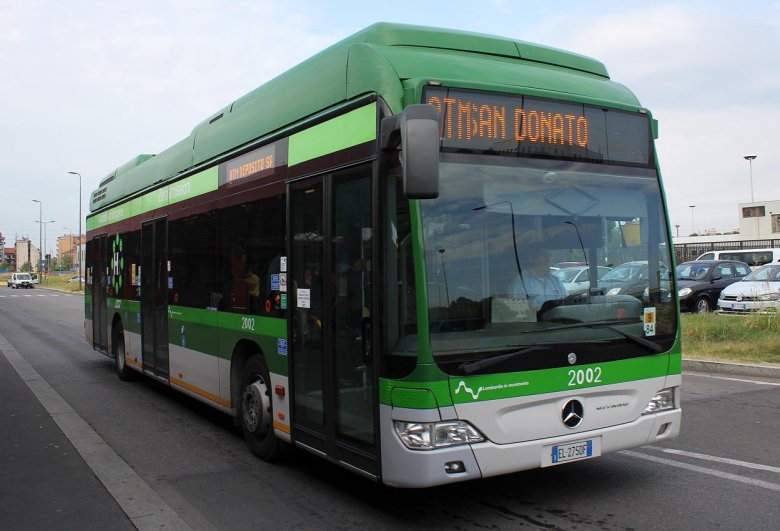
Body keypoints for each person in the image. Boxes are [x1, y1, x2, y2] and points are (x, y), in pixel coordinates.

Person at [508, 243, 567, 311]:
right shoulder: (520, 283)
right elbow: (516, 311)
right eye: (544, 255)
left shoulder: (555, 281)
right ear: (532, 258)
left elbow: (566, 303)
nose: (548, 259)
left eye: (549, 256)